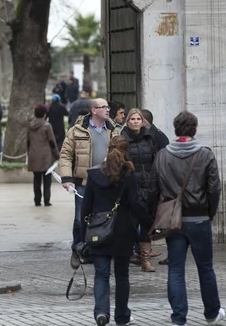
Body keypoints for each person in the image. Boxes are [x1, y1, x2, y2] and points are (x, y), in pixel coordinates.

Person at [147, 111, 225, 326]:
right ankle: (211, 313)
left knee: (175, 269)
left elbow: (153, 189)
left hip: (173, 221)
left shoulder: (162, 155)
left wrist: (155, 215)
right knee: (206, 268)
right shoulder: (206, 154)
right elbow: (214, 188)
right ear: (195, 129)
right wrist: (209, 213)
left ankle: (178, 318)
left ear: (175, 129)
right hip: (199, 218)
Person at [79, 136, 153, 326]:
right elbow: (136, 204)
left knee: (101, 275)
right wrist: (150, 225)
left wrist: (81, 238)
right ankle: (122, 316)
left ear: (107, 150)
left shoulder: (94, 175)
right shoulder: (129, 174)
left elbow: (85, 208)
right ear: (126, 152)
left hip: (99, 230)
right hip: (123, 230)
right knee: (122, 276)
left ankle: (101, 312)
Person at [60, 98, 115, 269]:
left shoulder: (114, 131)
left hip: (107, 182)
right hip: (84, 182)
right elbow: (66, 155)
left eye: (108, 107)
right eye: (103, 107)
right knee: (80, 219)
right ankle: (78, 250)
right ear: (93, 110)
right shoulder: (77, 131)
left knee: (105, 218)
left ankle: (99, 250)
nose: (107, 110)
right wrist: (67, 179)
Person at [120, 108, 164, 272]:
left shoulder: (150, 138)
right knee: (130, 224)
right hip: (131, 187)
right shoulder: (122, 139)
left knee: (147, 223)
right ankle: (127, 256)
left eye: (139, 119)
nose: (136, 121)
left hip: (149, 187)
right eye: (133, 119)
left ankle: (145, 260)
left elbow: (158, 158)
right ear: (128, 121)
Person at [141, 108, 171, 266]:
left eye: (138, 119)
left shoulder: (156, 136)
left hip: (157, 185)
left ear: (144, 121)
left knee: (162, 220)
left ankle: (171, 254)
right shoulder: (151, 135)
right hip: (151, 184)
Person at [27, 105, 60, 206]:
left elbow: (28, 141)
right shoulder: (47, 126)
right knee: (47, 179)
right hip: (46, 156)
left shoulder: (30, 126)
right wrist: (57, 155)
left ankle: (37, 200)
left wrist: (29, 153)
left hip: (33, 154)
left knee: (36, 179)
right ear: (45, 114)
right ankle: (46, 200)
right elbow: (51, 142)